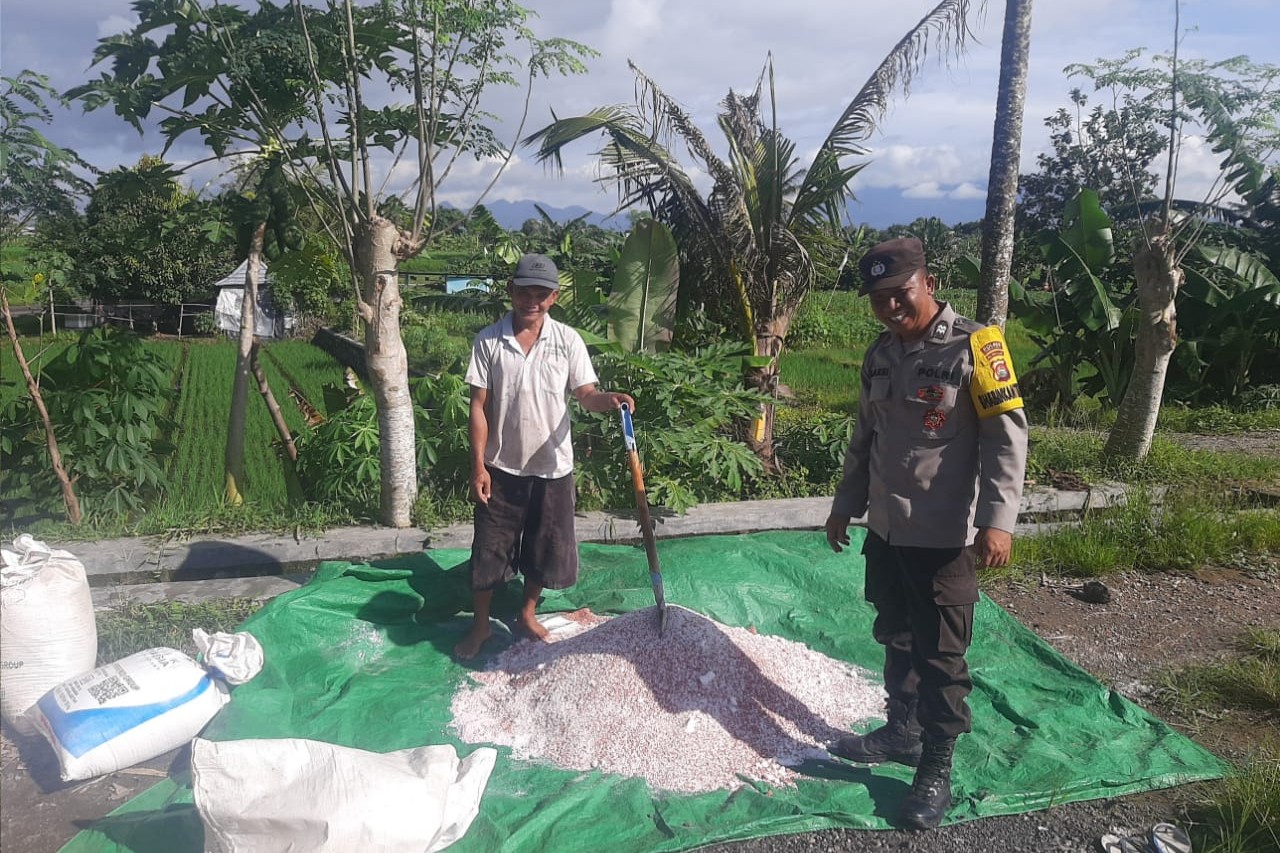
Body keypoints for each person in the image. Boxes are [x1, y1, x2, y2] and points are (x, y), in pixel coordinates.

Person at [823, 236, 1028, 830]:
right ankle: (902, 731)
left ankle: (935, 767)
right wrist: (844, 505)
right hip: (887, 530)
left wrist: (997, 521)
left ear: (928, 284)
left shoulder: (977, 346)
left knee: (941, 655)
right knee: (895, 633)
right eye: (878, 298)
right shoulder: (879, 355)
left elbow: (1006, 438)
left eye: (900, 293)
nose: (890, 307)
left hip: (943, 536)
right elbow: (864, 436)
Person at [455, 253, 635, 660]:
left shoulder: (567, 341)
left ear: (554, 297)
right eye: (524, 292)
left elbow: (586, 395)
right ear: (511, 291)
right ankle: (481, 626)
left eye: (541, 294)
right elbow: (478, 407)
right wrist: (478, 466)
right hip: (501, 468)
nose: (531, 301)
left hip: (553, 469)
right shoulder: (489, 341)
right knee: (489, 550)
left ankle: (527, 613)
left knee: (544, 547)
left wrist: (611, 400)